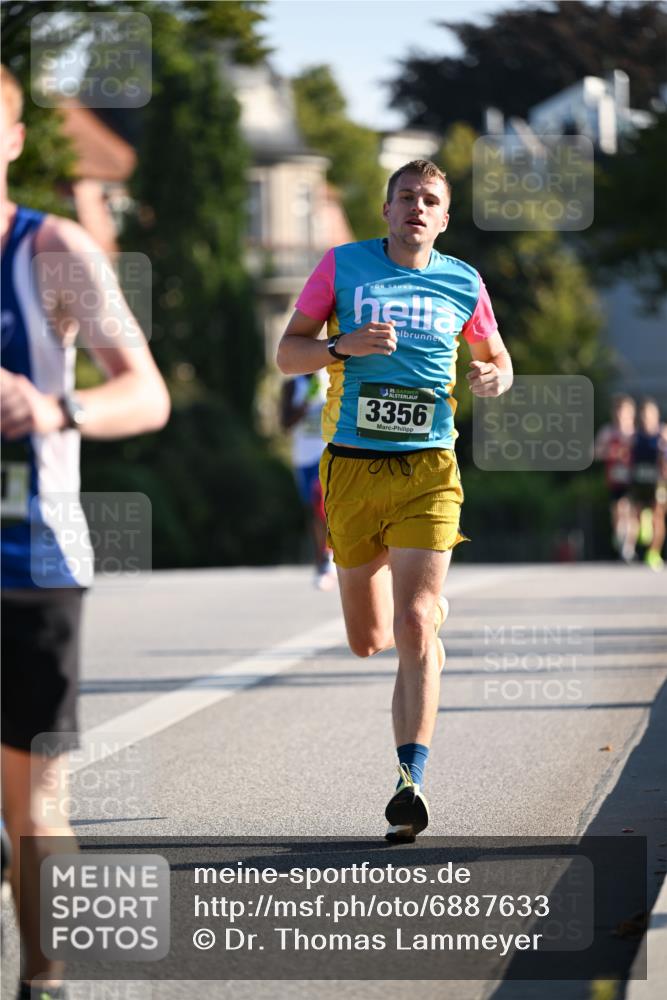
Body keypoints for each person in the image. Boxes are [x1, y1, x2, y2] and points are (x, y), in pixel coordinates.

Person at [277, 159, 513, 842]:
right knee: (368, 639)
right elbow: (287, 355)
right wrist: (336, 346)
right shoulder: (341, 266)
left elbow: (497, 358)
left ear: (443, 218)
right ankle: (424, 615)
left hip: (428, 468)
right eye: (405, 196)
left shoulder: (463, 281)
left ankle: (410, 781)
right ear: (385, 210)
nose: (416, 207)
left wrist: (493, 378)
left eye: (429, 200)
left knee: (411, 624)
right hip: (350, 468)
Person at [1, 65, 170, 1000]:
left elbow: (147, 393)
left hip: (30, 556)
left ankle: (43, 980)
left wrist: (52, 406)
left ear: (15, 140)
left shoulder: (50, 250)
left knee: (35, 800)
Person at [280, 370, 336, 590]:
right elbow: (284, 424)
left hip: (326, 455)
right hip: (303, 457)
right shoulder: (292, 386)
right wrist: (303, 406)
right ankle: (322, 560)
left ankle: (330, 559)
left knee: (321, 504)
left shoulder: (330, 378)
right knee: (314, 511)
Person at [594, 394, 638, 563]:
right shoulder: (607, 432)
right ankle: (620, 539)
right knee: (618, 511)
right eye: (618, 411)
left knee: (631, 511)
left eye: (625, 411)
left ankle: (629, 548)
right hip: (615, 479)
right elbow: (594, 452)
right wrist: (610, 453)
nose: (621, 415)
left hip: (633, 479)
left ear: (631, 413)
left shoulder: (635, 433)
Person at [631, 397, 667, 572]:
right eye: (644, 415)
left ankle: (654, 553)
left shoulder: (663, 433)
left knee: (658, 516)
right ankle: (643, 532)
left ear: (656, 415)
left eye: (650, 414)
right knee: (638, 514)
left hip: (658, 481)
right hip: (639, 480)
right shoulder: (635, 436)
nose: (647, 418)